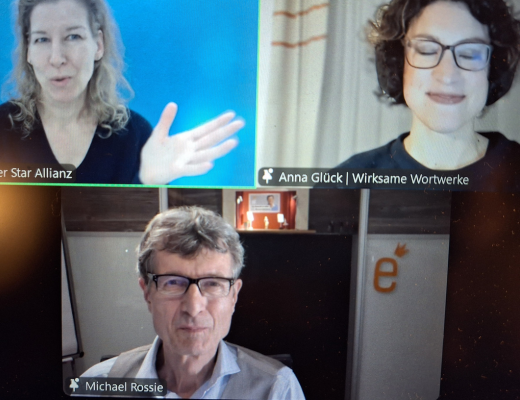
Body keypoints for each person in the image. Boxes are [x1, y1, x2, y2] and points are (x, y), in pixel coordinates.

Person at [0, 0, 243, 184]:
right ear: (29, 52)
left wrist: (148, 183)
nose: (57, 58)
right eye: (42, 39)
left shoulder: (136, 135)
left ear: (99, 45)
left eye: (73, 36)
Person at [82, 207, 305, 400]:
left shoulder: (277, 389)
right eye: (173, 283)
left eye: (213, 284)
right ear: (147, 292)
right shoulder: (96, 386)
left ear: (234, 296)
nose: (193, 307)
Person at [338, 0, 520, 191]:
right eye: (426, 51)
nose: (448, 76)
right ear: (399, 63)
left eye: (470, 54)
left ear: (492, 68)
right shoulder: (344, 184)